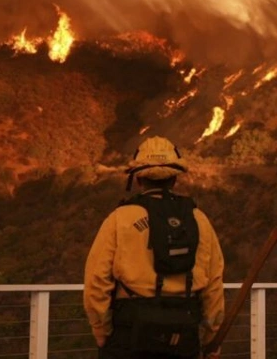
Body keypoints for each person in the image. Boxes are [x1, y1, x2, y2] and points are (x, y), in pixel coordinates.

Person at [83, 136, 225, 359]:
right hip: (183, 334)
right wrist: (211, 338)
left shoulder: (120, 219)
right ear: (175, 178)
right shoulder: (198, 219)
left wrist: (101, 331)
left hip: (129, 335)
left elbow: (96, 281)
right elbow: (213, 283)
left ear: (138, 178)